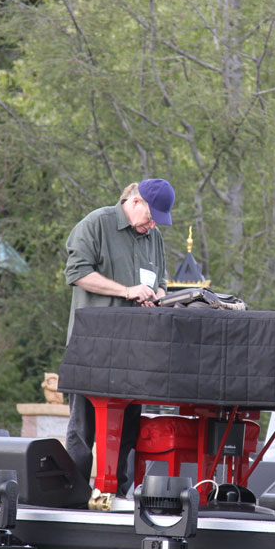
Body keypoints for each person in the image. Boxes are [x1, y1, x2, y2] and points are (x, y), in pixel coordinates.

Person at [64, 178, 175, 496]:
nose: (154, 225)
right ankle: (73, 494)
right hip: (93, 348)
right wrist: (127, 291)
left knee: (128, 430)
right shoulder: (96, 223)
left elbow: (162, 282)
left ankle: (118, 495)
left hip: (135, 352)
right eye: (152, 216)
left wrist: (157, 295)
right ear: (136, 202)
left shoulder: (153, 237)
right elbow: (77, 273)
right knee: (83, 430)